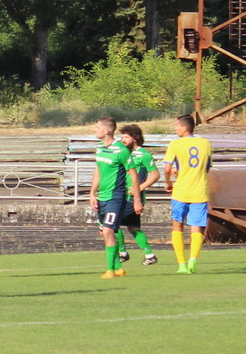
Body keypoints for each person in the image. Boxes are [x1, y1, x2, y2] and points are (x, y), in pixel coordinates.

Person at [161, 113, 213, 273]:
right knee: (196, 227)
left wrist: (168, 183)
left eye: (177, 126)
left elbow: (167, 168)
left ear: (184, 128)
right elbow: (207, 167)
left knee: (177, 225)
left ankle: (181, 264)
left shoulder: (175, 144)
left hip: (181, 191)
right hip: (199, 191)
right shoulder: (205, 143)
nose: (175, 128)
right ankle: (193, 261)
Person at [91, 116, 137, 279]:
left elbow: (133, 173)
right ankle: (118, 268)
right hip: (102, 197)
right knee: (104, 232)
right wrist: (92, 193)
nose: (94, 130)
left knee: (109, 231)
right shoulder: (99, 148)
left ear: (107, 131)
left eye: (97, 127)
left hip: (116, 197)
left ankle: (110, 270)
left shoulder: (121, 150)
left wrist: (137, 199)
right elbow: (98, 171)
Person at [116, 124, 160, 266]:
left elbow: (155, 175)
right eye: (122, 136)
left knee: (110, 224)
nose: (123, 139)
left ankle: (122, 253)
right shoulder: (123, 153)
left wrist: (139, 188)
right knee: (133, 228)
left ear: (135, 138)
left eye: (126, 137)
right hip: (122, 195)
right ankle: (150, 255)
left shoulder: (144, 155)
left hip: (133, 198)